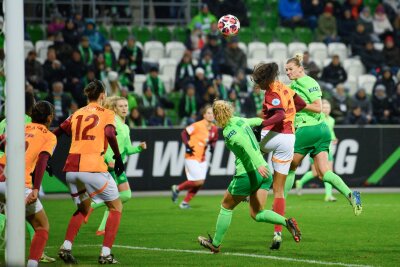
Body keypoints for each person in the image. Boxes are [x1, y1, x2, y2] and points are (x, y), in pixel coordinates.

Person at [197, 100, 301, 253]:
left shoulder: (228, 132)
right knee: (257, 213)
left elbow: (245, 144)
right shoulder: (240, 120)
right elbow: (260, 121)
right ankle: (286, 222)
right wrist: (283, 124)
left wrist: (258, 163)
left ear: (217, 116)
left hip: (248, 173)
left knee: (226, 206)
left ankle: (216, 243)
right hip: (265, 173)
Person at [54, 80, 124, 264]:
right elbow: (109, 133)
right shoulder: (107, 113)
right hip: (92, 167)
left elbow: (59, 132)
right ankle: (106, 253)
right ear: (102, 95)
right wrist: (118, 157)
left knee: (83, 208)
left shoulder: (76, 113)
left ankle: (66, 247)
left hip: (71, 170)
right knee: (116, 207)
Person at [283, 54, 362, 218]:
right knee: (324, 172)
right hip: (322, 130)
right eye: (286, 70)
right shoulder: (295, 84)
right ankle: (351, 194)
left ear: (300, 69)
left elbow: (318, 107)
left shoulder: (309, 82)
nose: (288, 72)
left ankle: (280, 203)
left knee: (289, 167)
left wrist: (299, 106)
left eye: (290, 69)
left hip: (309, 129)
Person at [251, 62, 306, 250]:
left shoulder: (272, 91)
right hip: (289, 139)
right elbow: (301, 104)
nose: (258, 85)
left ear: (266, 80)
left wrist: (262, 125)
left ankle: (248, 187)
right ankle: (277, 235)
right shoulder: (285, 88)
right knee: (279, 190)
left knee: (248, 146)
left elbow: (280, 115)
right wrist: (291, 114)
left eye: (259, 81)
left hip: (275, 134)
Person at [0, 92, 55, 263]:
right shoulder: (49, 135)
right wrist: (36, 188)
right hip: (17, 183)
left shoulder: (18, 127)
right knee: (42, 226)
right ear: (50, 117)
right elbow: (42, 161)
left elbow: (3, 142)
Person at [91, 96, 147, 235]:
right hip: (110, 163)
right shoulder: (112, 122)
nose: (124, 108)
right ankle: (93, 206)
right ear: (115, 108)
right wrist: (108, 159)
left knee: (122, 196)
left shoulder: (126, 127)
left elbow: (127, 149)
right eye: (121, 106)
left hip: (118, 165)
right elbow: (102, 143)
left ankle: (101, 227)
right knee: (124, 195)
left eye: (126, 106)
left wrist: (139, 148)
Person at [171, 105, 218, 209]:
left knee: (199, 183)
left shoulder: (214, 128)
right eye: (209, 113)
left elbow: (214, 140)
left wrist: (213, 147)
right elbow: (184, 133)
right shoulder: (197, 125)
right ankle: (177, 188)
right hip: (191, 155)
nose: (211, 115)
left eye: (212, 113)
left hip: (202, 158)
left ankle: (184, 203)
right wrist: (187, 145)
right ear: (204, 115)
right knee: (198, 181)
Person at [295, 99, 338, 202]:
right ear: (321, 108)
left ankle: (328, 195)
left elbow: (330, 131)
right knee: (316, 173)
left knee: (327, 171)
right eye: (325, 107)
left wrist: (334, 138)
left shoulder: (332, 120)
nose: (327, 109)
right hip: (317, 147)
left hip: (327, 146)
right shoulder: (317, 118)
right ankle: (300, 182)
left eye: (328, 107)